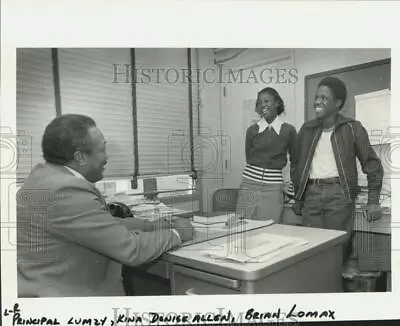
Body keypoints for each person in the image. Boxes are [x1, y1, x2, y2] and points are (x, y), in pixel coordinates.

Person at [17, 114, 194, 297]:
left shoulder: (43, 176)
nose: (107, 157)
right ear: (80, 157)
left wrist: (152, 225)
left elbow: (101, 224)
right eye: (102, 150)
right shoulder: (67, 190)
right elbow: (131, 249)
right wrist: (177, 234)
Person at [292, 76, 383, 265]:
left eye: (324, 98)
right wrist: (299, 197)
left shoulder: (352, 128)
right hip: (312, 194)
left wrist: (373, 201)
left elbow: (372, 165)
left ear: (338, 103)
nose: (317, 101)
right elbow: (297, 164)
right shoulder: (306, 129)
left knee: (336, 250)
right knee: (311, 250)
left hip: (339, 195)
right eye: (316, 97)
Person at [235, 87, 297, 223]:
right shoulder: (252, 130)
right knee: (243, 226)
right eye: (260, 102)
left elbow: (295, 161)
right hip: (249, 185)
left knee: (271, 228)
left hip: (273, 187)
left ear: (277, 103)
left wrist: (289, 185)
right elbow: (250, 158)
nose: (263, 104)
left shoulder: (289, 131)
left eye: (267, 101)